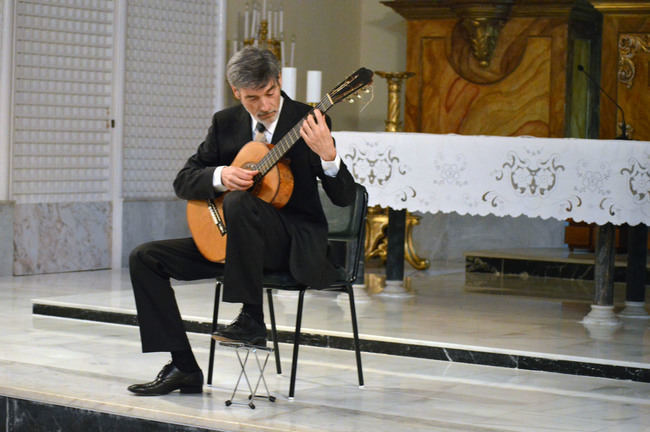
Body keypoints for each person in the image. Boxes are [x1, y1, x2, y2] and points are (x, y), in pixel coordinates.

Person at [127, 46, 356, 396]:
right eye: (253, 98)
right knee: (145, 258)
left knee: (238, 202)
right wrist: (221, 175)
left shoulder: (308, 120)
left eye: (270, 93)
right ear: (236, 92)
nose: (265, 106)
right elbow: (183, 180)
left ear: (279, 82)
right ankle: (183, 367)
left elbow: (344, 198)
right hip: (235, 242)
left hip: (291, 243)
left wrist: (330, 156)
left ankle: (252, 319)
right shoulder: (226, 123)